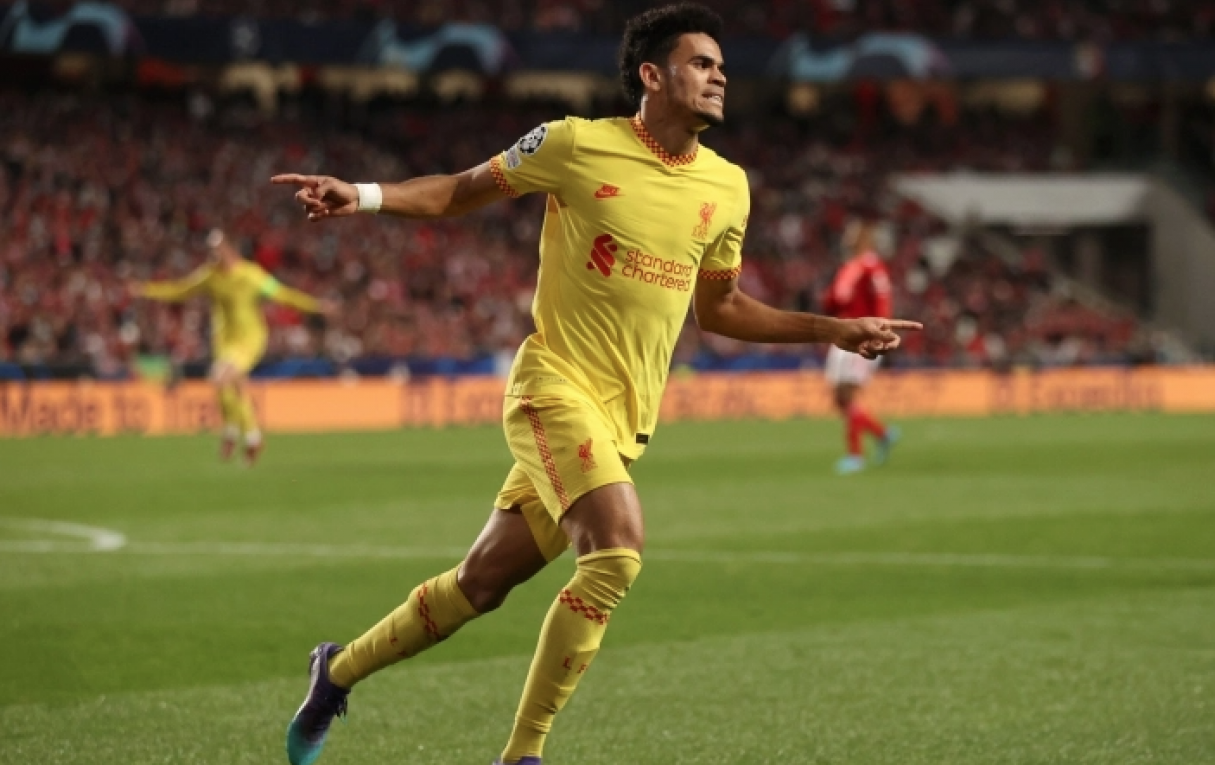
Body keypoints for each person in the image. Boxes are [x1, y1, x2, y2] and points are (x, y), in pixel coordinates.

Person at [271, 5, 921, 764]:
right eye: (701, 63)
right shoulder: (574, 143)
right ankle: (523, 754)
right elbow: (458, 191)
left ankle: (336, 670)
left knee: (479, 585)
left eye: (721, 65)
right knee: (616, 552)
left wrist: (833, 329)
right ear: (653, 75)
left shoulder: (728, 187)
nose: (719, 76)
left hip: (620, 422)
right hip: (552, 387)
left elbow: (719, 309)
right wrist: (363, 194)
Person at [131, 228, 337, 465]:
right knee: (227, 386)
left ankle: (248, 435)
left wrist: (316, 306)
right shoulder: (210, 276)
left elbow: (283, 295)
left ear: (229, 249)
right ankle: (238, 434)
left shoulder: (251, 275)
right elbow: (181, 290)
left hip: (250, 339)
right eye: (211, 250)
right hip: (225, 341)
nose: (213, 254)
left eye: (217, 249)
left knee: (221, 378)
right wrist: (146, 290)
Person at [822, 219, 900, 475]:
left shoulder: (873, 267)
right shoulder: (849, 267)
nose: (847, 236)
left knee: (849, 394)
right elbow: (834, 301)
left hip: (862, 338)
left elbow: (882, 300)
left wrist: (880, 334)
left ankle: (855, 455)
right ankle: (882, 433)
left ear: (864, 238)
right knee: (839, 398)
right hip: (842, 334)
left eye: (852, 233)